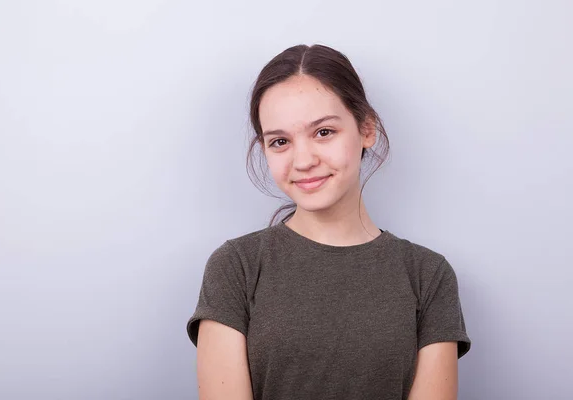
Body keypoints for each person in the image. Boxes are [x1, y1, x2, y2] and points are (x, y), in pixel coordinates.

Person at [186, 44, 471, 400]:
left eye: (323, 132)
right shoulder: (236, 267)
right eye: (280, 141)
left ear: (367, 129)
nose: (302, 160)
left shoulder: (428, 275)